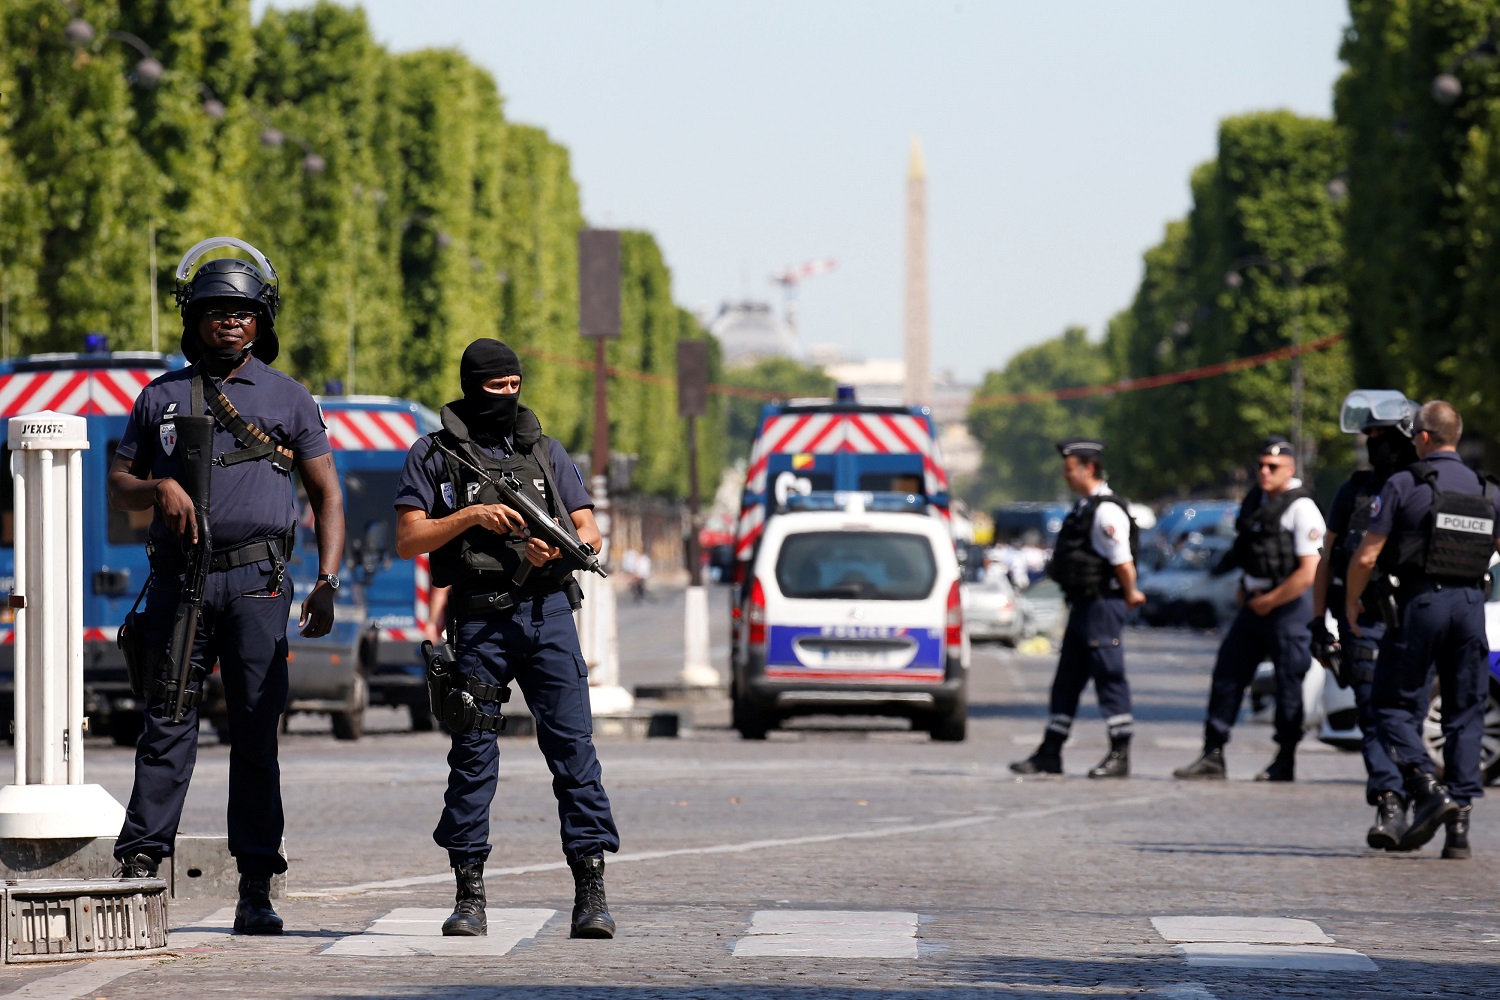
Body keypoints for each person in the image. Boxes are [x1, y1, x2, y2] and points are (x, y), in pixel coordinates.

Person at [110, 240, 345, 935]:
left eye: (241, 312)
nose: (228, 323)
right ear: (195, 320)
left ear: (260, 319)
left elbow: (327, 495)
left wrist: (326, 580)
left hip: (257, 585)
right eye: (215, 312)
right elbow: (120, 487)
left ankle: (254, 886)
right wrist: (158, 485)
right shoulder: (159, 397)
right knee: (166, 725)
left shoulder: (288, 396)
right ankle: (142, 869)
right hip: (180, 584)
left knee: (255, 733)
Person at [394, 338, 619, 938]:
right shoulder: (436, 454)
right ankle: (469, 896)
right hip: (481, 622)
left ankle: (591, 893)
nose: (507, 396)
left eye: (515, 386)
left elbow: (588, 526)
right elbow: (410, 538)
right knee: (472, 759)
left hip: (547, 615)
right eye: (495, 387)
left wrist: (570, 550)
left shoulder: (544, 451)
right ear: (472, 386)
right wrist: (472, 517)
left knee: (574, 755)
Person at [1345, 401, 1500, 857]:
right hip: (1471, 606)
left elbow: (1368, 555)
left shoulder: (1405, 483)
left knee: (1389, 706)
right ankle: (1459, 832)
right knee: (1464, 714)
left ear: (1426, 438)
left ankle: (1428, 788)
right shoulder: (1486, 488)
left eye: (1416, 435)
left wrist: (1353, 600)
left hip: (1421, 604)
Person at [1175, 435, 1325, 782]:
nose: (1264, 471)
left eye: (1273, 467)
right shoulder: (1255, 500)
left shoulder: (1301, 508)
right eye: (1260, 465)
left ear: (1290, 468)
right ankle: (1212, 754)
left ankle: (1284, 759)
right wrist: (1245, 589)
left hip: (1288, 607)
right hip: (1255, 604)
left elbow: (1309, 571)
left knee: (1288, 684)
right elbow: (1248, 553)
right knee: (1227, 674)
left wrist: (1269, 600)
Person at [1311, 392, 1419, 848]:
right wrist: (1318, 620)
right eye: (1368, 436)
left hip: (1417, 621)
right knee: (1373, 715)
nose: (1374, 444)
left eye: (1381, 435)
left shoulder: (1424, 485)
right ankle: (1390, 800)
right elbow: (1328, 558)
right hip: (1363, 621)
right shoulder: (1352, 491)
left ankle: (1433, 799)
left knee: (1409, 715)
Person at [1011, 439, 1145, 779]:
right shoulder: (1084, 507)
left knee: (1108, 676)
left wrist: (1131, 594)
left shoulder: (1106, 510)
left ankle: (1120, 752)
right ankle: (1050, 751)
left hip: (1102, 604)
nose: (1065, 475)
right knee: (1067, 680)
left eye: (1069, 469)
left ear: (1089, 469)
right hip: (1084, 605)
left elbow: (1123, 563)